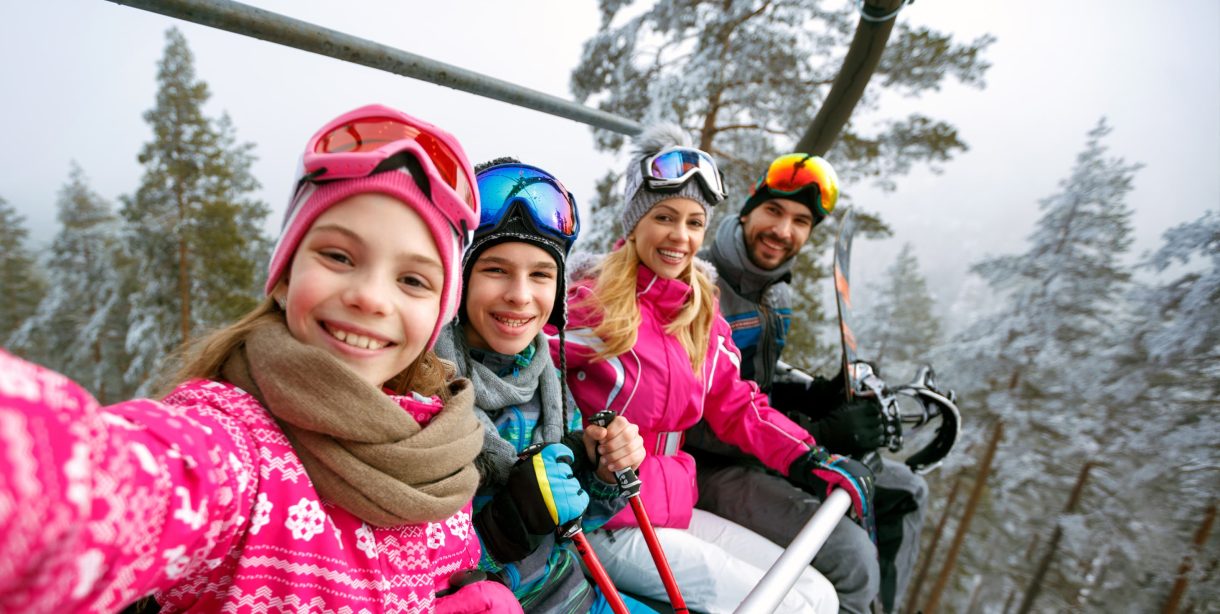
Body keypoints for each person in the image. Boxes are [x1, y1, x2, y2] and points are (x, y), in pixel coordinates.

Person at [0, 104, 522, 613]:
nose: (370, 297)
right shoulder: (234, 454)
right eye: (338, 256)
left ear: (438, 314)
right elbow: (85, 486)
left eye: (412, 280)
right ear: (286, 274)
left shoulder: (437, 441)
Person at [555, 124, 876, 614]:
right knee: (790, 608)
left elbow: (739, 405)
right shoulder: (593, 304)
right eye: (664, 217)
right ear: (635, 222)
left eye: (694, 222)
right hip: (605, 517)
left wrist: (809, 458)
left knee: (819, 595)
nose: (680, 237)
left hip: (671, 505)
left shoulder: (700, 312)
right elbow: (523, 359)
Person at [689, 152, 929, 613]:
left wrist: (817, 395)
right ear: (747, 211)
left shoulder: (774, 292)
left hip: (761, 442)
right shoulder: (701, 286)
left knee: (906, 491)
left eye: (800, 221)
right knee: (851, 557)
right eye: (774, 211)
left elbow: (754, 380)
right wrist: (815, 434)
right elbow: (690, 415)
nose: (783, 230)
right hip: (704, 464)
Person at [433, 158, 651, 612]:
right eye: (495, 269)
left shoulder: (548, 382)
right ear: (460, 279)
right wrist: (504, 527)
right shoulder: (426, 388)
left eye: (540, 274)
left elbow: (576, 522)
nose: (520, 295)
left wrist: (603, 472)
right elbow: (405, 569)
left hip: (580, 595)